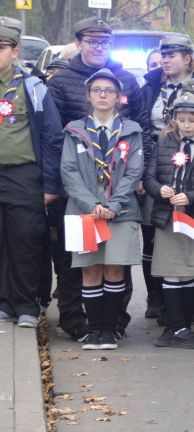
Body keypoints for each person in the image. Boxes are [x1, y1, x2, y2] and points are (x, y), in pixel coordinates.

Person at [47, 17, 150, 340]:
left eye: (104, 42)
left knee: (116, 265)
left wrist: (123, 194)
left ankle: (113, 325)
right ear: (78, 43)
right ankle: (79, 323)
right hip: (79, 197)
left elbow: (140, 129)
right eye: (92, 41)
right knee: (78, 265)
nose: (98, 47)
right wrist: (68, 191)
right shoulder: (61, 81)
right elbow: (54, 139)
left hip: (119, 198)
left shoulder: (127, 81)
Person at [59, 69, 145, 350]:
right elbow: (68, 171)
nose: (103, 95)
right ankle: (93, 330)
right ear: (88, 95)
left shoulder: (131, 130)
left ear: (118, 97)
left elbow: (134, 172)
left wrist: (114, 205)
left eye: (109, 90)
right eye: (97, 90)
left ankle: (109, 330)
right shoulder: (74, 130)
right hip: (84, 212)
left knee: (114, 269)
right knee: (90, 270)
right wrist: (91, 205)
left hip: (120, 212)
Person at [145, 92, 194, 350]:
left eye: (192, 120)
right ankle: (178, 327)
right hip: (169, 218)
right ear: (174, 120)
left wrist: (190, 197)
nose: (187, 125)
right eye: (181, 120)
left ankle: (181, 326)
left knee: (190, 271)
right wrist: (160, 191)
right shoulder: (164, 143)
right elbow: (150, 177)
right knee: (171, 271)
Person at [0, 17, 63, 328]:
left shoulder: (33, 87)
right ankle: (3, 301)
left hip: (23, 174)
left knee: (25, 239)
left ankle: (26, 304)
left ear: (15, 51)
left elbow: (52, 137)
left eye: (0, 47)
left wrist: (51, 184)